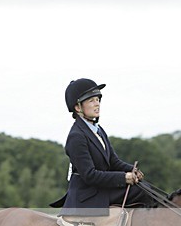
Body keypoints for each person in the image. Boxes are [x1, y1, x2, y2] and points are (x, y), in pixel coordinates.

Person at [50, 78, 152, 217]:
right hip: (88, 195)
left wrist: (132, 170)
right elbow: (90, 175)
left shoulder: (98, 130)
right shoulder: (76, 136)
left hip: (100, 190)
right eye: (91, 101)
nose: (97, 104)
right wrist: (123, 178)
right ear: (78, 107)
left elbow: (113, 162)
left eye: (98, 99)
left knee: (145, 187)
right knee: (141, 192)